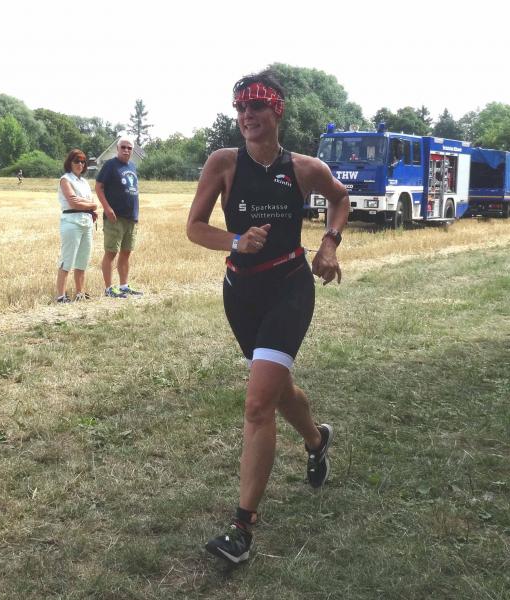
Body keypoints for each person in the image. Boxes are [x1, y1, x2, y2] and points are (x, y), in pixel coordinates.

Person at [186, 70, 350, 564]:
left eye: (255, 107)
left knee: (258, 403)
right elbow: (195, 228)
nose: (246, 116)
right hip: (241, 293)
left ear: (276, 110)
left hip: (288, 288)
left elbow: (340, 199)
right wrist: (235, 240)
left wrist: (329, 244)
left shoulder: (304, 168)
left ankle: (242, 530)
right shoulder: (223, 163)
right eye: (239, 108)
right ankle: (316, 439)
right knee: (277, 391)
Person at [96, 136, 143, 298]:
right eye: (123, 147)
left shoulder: (132, 166)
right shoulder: (110, 165)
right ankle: (109, 289)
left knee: (126, 252)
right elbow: (99, 187)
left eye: (129, 148)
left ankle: (123, 286)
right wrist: (107, 208)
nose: (126, 150)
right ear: (117, 148)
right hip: (115, 217)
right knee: (111, 252)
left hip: (131, 217)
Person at [55, 149, 98, 303]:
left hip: (86, 223)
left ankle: (80, 292)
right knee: (67, 259)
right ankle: (61, 296)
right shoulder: (65, 180)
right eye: (76, 161)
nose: (80, 164)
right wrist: (92, 205)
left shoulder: (84, 182)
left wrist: (87, 205)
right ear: (70, 163)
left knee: (82, 259)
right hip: (71, 222)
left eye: (83, 161)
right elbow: (73, 202)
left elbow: (84, 201)